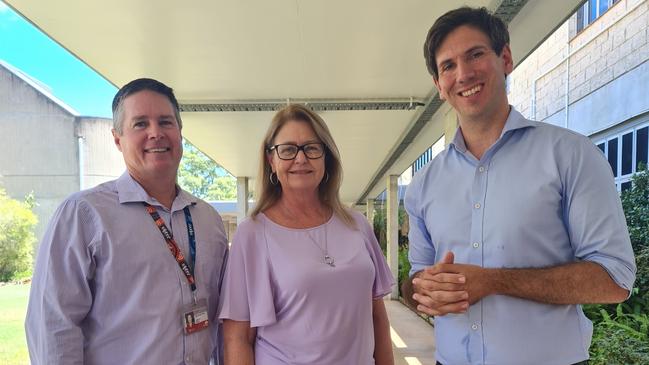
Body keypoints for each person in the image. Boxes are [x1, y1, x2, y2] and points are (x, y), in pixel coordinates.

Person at [402, 7, 637, 365]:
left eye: (475, 55)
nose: (463, 74)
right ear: (438, 86)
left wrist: (494, 282)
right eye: (448, 66)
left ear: (506, 58)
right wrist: (423, 290)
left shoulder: (570, 154)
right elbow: (417, 278)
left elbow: (614, 279)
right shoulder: (424, 184)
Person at [25, 78, 229, 365]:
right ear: (117, 139)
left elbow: (222, 320)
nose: (156, 133)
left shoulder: (208, 220)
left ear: (180, 132)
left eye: (166, 122)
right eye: (140, 124)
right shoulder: (83, 215)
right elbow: (53, 326)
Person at [218, 104, 395, 365]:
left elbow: (377, 315)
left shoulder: (358, 225)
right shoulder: (253, 234)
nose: (300, 159)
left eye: (312, 148)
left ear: (326, 157)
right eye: (288, 149)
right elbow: (238, 337)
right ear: (271, 160)